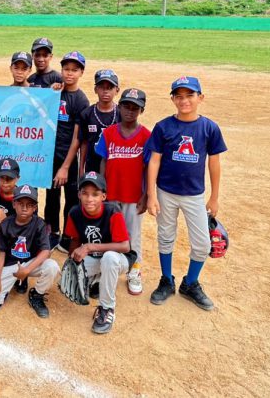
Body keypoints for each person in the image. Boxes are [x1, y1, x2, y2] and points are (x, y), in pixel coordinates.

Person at [146, 76, 227, 311]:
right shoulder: (164, 127)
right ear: (172, 99)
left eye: (190, 95)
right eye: (178, 96)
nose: (184, 101)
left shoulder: (209, 127)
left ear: (200, 97)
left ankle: (190, 283)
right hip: (166, 192)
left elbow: (214, 163)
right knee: (166, 236)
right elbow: (154, 162)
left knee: (202, 243)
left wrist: (214, 196)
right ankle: (166, 280)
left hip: (194, 194)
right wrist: (151, 195)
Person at [94, 88, 150, 295]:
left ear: (141, 110)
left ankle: (134, 270)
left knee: (133, 236)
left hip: (134, 196)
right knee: (108, 232)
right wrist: (101, 189)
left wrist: (146, 194)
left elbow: (148, 168)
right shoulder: (108, 133)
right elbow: (102, 161)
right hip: (111, 194)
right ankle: (103, 269)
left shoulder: (146, 136)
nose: (129, 110)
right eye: (126, 105)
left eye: (135, 107)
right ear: (120, 106)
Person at [65, 172, 135, 334]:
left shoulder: (113, 211)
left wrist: (89, 247)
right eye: (85, 194)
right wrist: (71, 263)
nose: (90, 199)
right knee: (71, 272)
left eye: (95, 194)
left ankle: (107, 308)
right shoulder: (75, 213)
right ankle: (97, 280)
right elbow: (75, 240)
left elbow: (125, 246)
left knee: (108, 258)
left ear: (103, 196)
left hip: (119, 259)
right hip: (96, 259)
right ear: (79, 195)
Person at [0, 184, 59, 318]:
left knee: (52, 267)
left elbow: (45, 251)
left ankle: (37, 294)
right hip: (11, 264)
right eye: (21, 203)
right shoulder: (6, 223)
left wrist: (26, 269)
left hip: (30, 263)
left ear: (35, 207)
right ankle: (12, 284)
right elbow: (1, 252)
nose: (24, 208)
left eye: (29, 205)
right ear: (14, 204)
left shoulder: (39, 224)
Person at [45, 51, 89, 252]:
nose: (69, 73)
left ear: (81, 72)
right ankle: (52, 232)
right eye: (66, 69)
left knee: (71, 198)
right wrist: (51, 90)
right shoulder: (56, 92)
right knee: (51, 196)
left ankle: (68, 236)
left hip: (68, 157)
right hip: (50, 154)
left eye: (74, 70)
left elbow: (77, 139)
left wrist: (65, 166)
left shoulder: (81, 100)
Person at [80, 69, 121, 175]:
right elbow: (84, 142)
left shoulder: (121, 114)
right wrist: (81, 169)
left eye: (110, 88)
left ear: (117, 90)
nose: (105, 91)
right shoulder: (87, 114)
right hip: (92, 166)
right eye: (101, 87)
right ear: (95, 89)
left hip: (115, 165)